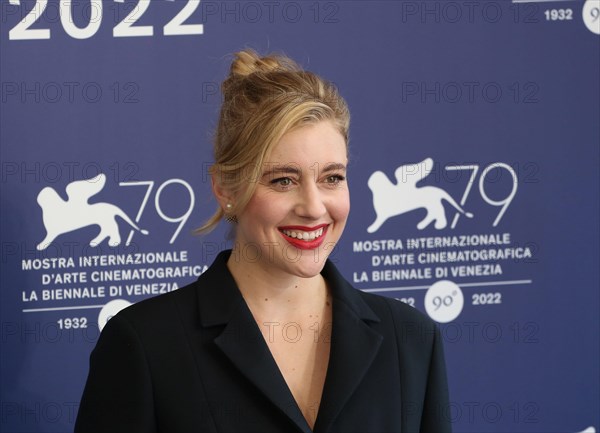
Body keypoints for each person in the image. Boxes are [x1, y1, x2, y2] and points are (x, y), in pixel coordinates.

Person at [74, 49, 452, 433]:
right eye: (282, 180)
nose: (313, 207)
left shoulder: (411, 338)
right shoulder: (146, 345)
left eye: (332, 178)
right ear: (225, 189)